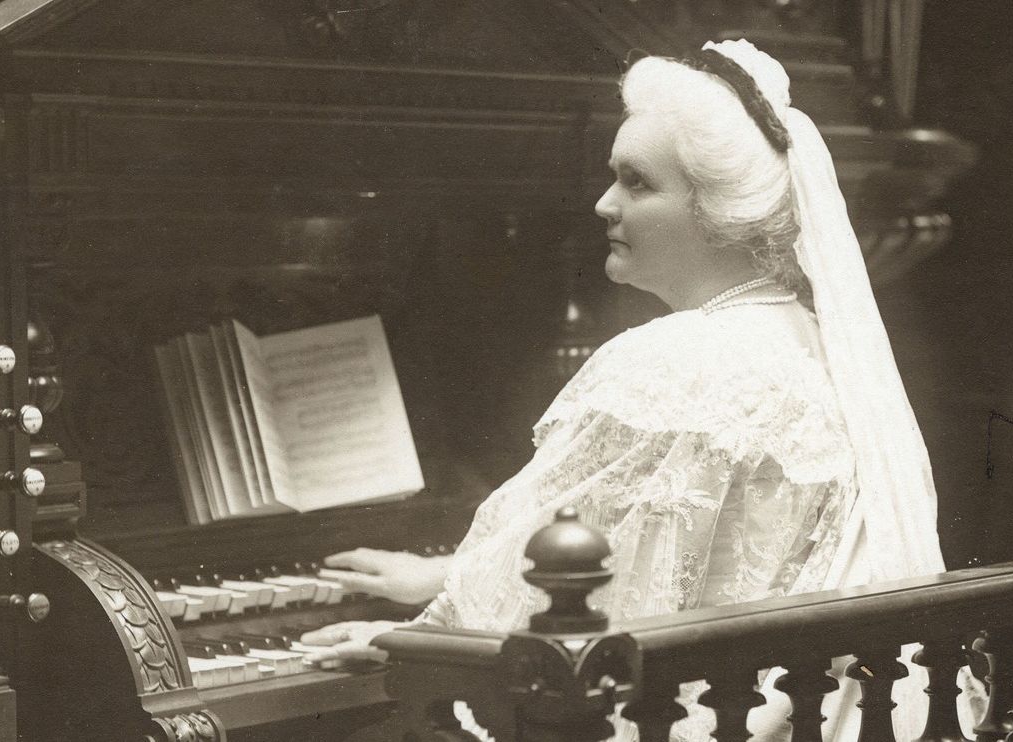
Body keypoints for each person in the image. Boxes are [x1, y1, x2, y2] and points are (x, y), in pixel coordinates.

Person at [302, 38, 954, 740]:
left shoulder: (669, 360)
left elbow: (571, 586)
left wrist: (409, 637)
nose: (604, 204)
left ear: (717, 208)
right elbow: (636, 537)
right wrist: (441, 574)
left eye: (637, 183)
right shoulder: (815, 340)